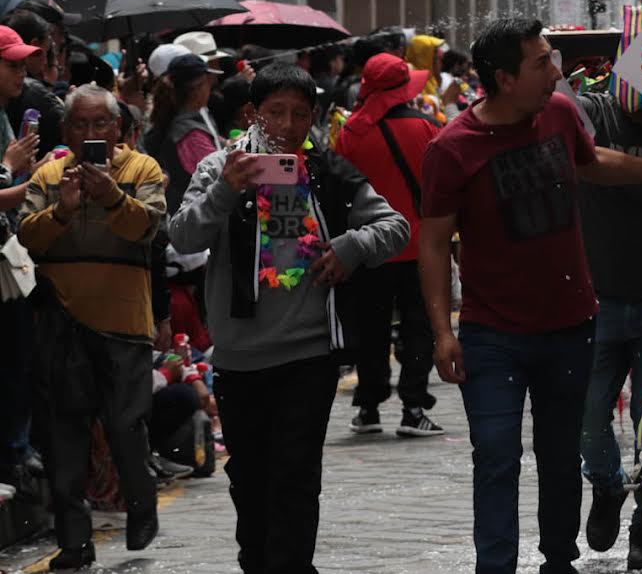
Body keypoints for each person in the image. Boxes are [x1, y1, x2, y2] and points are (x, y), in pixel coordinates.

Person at [417, 18, 642, 574]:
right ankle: (496, 566)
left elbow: (591, 163)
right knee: (496, 457)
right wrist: (442, 332)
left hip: (571, 325)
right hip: (492, 336)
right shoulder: (451, 149)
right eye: (541, 63)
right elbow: (434, 243)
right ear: (505, 78)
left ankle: (559, 561)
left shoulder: (557, 114)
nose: (556, 72)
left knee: (561, 458)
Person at [168, 64, 409, 574]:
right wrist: (226, 189)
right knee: (251, 481)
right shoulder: (219, 167)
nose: (287, 123)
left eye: (300, 113)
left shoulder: (328, 172)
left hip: (309, 354)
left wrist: (350, 247)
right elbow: (184, 237)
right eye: (275, 111)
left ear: (313, 118)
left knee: (296, 477)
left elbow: (396, 226)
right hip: (238, 358)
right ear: (252, 114)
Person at [19, 85, 166, 568]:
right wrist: (61, 210)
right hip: (62, 320)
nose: (89, 134)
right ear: (65, 131)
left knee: (126, 427)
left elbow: (147, 228)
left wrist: (109, 197)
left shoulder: (142, 170)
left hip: (124, 322)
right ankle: (74, 542)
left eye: (99, 124)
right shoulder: (49, 175)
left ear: (118, 129)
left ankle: (142, 503)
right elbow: (27, 237)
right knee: (66, 435)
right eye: (79, 125)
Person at [573, 79, 642, 569]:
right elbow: (562, 124)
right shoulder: (593, 111)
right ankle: (607, 485)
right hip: (597, 301)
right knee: (589, 418)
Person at [333, 53, 444, 439]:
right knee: (419, 327)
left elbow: (340, 194)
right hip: (421, 247)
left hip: (369, 249)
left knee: (371, 328)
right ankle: (413, 409)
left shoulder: (350, 133)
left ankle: (369, 407)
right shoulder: (428, 128)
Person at [0, 26, 43, 490]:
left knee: (18, 358)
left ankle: (17, 449)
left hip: (9, 258)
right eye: (11, 64)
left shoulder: (8, 117)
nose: (20, 73)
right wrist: (27, 180)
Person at [143, 51, 222, 215]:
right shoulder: (190, 134)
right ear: (198, 88)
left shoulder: (182, 120)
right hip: (192, 220)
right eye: (208, 82)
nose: (211, 87)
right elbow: (218, 179)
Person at [5, 8, 64, 152]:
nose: (21, 74)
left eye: (23, 65)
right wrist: (8, 166)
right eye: (13, 65)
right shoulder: (33, 92)